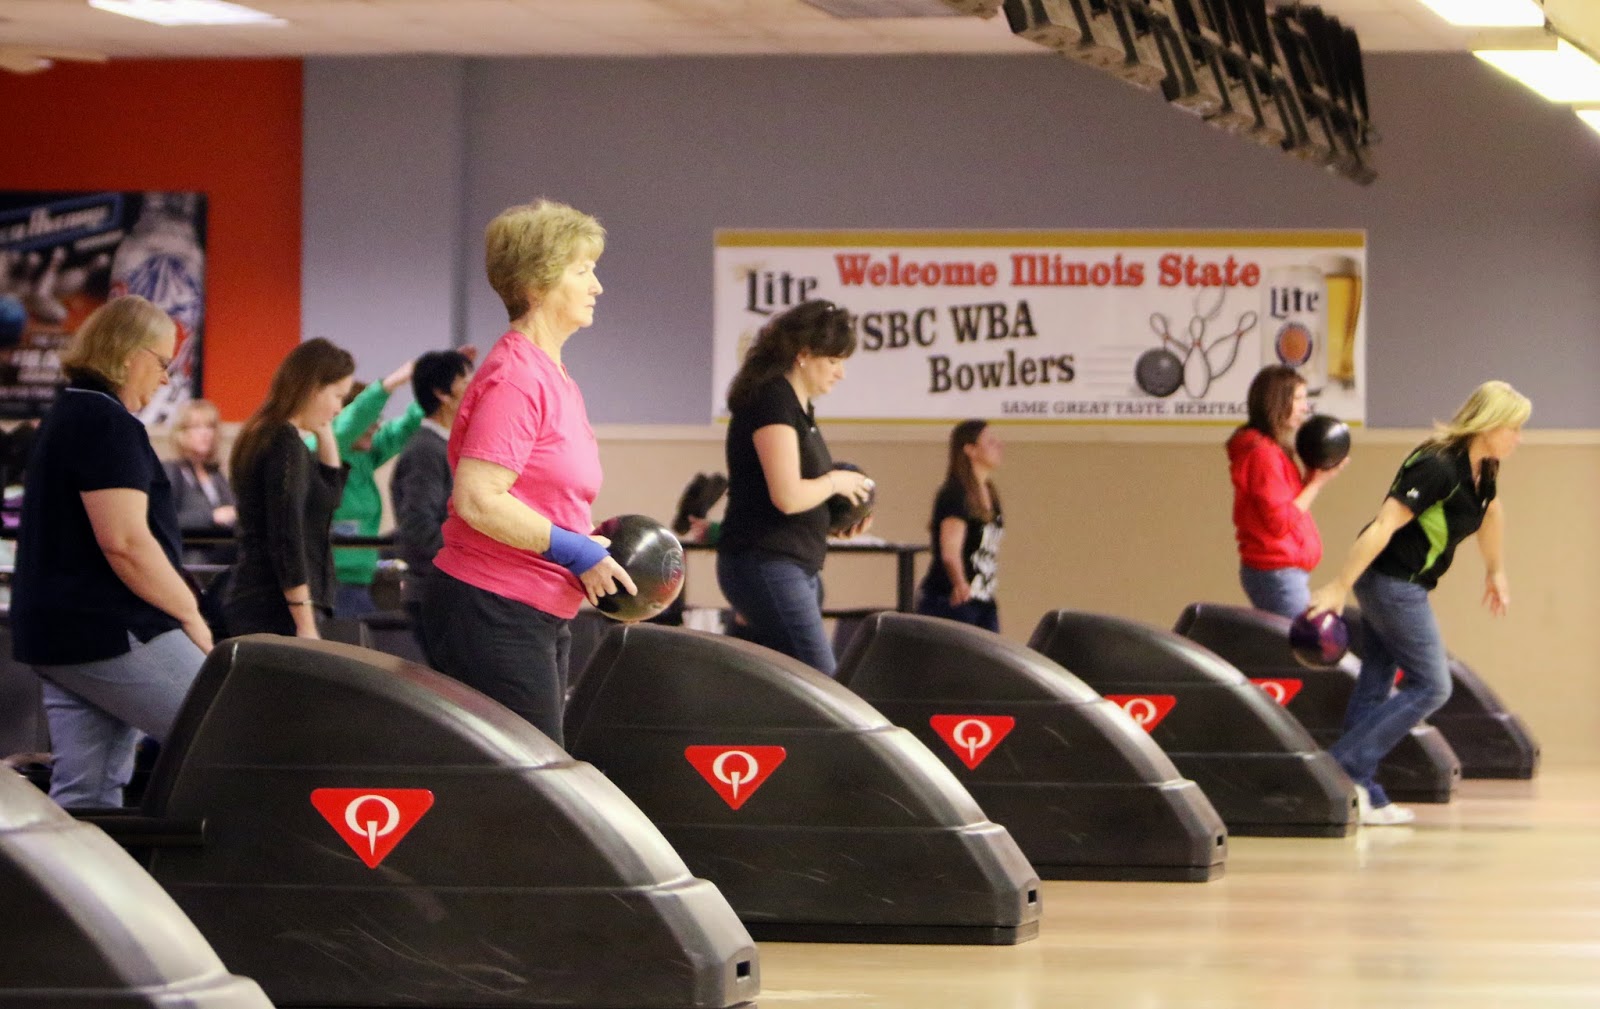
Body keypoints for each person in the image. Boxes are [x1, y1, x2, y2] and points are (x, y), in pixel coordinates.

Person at [422, 199, 632, 746]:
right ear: (537, 284)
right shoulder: (516, 379)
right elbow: (478, 500)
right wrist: (574, 549)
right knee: (529, 789)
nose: (597, 286)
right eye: (583, 271)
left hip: (536, 607)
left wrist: (587, 544)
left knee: (537, 780)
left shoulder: (552, 373)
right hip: (493, 606)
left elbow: (543, 499)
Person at [11, 295, 211, 808]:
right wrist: (191, 614)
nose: (166, 379)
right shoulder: (107, 423)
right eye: (163, 364)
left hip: (63, 636)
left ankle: (75, 891)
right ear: (129, 355)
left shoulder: (71, 414)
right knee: (229, 735)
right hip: (110, 630)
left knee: (88, 792)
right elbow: (125, 544)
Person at [1307, 380, 1531, 826]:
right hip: (1391, 582)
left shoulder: (1483, 468)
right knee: (1433, 685)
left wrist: (1495, 569)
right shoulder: (1438, 466)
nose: (1518, 438)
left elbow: (1491, 512)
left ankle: (1361, 789)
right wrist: (1337, 586)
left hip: (1403, 582)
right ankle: (1340, 768)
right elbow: (1384, 524)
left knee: (1376, 678)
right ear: (1487, 425)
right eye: (1513, 428)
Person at [715, 299, 873, 677]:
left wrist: (837, 519)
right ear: (804, 354)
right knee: (825, 687)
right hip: (767, 564)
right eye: (833, 362)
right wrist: (837, 481)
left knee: (771, 687)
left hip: (793, 565)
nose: (841, 374)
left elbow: (800, 495)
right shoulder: (772, 401)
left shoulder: (797, 407)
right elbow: (787, 496)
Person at [223, 339, 355, 638]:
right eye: (337, 396)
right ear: (313, 388)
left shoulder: (274, 435)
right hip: (273, 606)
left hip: (271, 602)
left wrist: (325, 432)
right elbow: (287, 533)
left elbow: (328, 499)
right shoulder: (284, 442)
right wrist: (305, 621)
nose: (338, 408)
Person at [1227, 365, 1343, 619]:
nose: (1305, 407)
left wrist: (1313, 478)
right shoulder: (1263, 454)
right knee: (1298, 654)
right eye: (1299, 398)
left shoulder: (1272, 450)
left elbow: (1285, 506)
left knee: (1297, 649)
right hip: (1278, 574)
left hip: (1283, 573)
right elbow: (1280, 521)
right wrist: (1316, 484)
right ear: (1278, 402)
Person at [317, 360, 423, 619]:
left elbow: (405, 427)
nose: (376, 427)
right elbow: (351, 423)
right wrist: (391, 383)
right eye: (371, 421)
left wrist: (435, 389)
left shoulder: (364, 457)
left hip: (360, 585)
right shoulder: (317, 450)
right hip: (329, 589)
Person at [392, 349, 473, 662]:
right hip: (437, 592)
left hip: (447, 590)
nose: (475, 389)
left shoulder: (444, 446)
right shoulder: (427, 450)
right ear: (442, 394)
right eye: (466, 381)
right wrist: (470, 555)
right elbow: (418, 526)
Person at [916, 419, 1004, 631]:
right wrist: (959, 583)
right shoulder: (956, 493)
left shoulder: (990, 493)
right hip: (952, 599)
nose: (999, 445)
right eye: (990, 441)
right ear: (970, 449)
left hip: (983, 597)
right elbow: (950, 551)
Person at [165, 398, 236, 565]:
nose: (206, 433)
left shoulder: (215, 474)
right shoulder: (172, 471)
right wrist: (212, 517)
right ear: (181, 433)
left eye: (210, 427)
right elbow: (167, 520)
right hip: (189, 560)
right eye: (197, 427)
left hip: (222, 557)